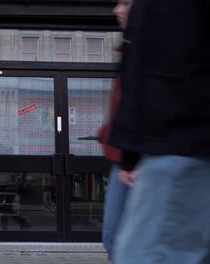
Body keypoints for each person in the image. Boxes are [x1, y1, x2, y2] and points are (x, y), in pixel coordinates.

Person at [109, 0, 210, 263]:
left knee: (147, 253)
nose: (117, 10)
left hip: (179, 142)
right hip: (173, 142)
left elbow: (151, 75)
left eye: (125, 3)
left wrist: (129, 151)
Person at [98, 0, 132, 260]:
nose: (117, 10)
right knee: (115, 240)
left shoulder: (159, 47)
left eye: (127, 3)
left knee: (124, 242)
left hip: (142, 159)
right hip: (126, 159)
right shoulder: (131, 48)